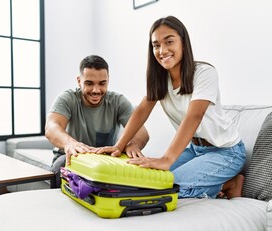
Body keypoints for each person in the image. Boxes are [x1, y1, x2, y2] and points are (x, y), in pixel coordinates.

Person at [95, 16, 246, 199]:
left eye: (169, 42)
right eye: (156, 45)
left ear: (183, 42)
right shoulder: (160, 80)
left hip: (226, 152)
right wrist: (118, 146)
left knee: (168, 188)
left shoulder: (205, 73)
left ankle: (229, 183)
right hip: (194, 149)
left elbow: (194, 116)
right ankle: (221, 183)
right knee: (149, 181)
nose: (162, 50)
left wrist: (167, 159)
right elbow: (142, 111)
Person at [45, 55, 149, 187]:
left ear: (108, 81)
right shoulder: (67, 98)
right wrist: (70, 143)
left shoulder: (118, 101)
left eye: (102, 83)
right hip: (71, 157)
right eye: (89, 83)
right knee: (60, 166)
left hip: (105, 159)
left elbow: (142, 132)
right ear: (79, 81)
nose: (96, 90)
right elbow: (51, 127)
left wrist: (133, 144)